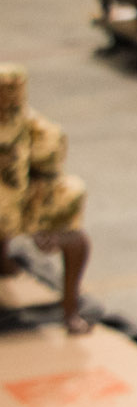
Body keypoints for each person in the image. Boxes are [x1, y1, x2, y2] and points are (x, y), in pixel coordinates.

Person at [0, 64, 91, 334]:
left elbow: (49, 150)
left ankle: (70, 308)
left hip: (17, 198)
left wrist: (43, 192)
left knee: (66, 198)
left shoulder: (26, 122)